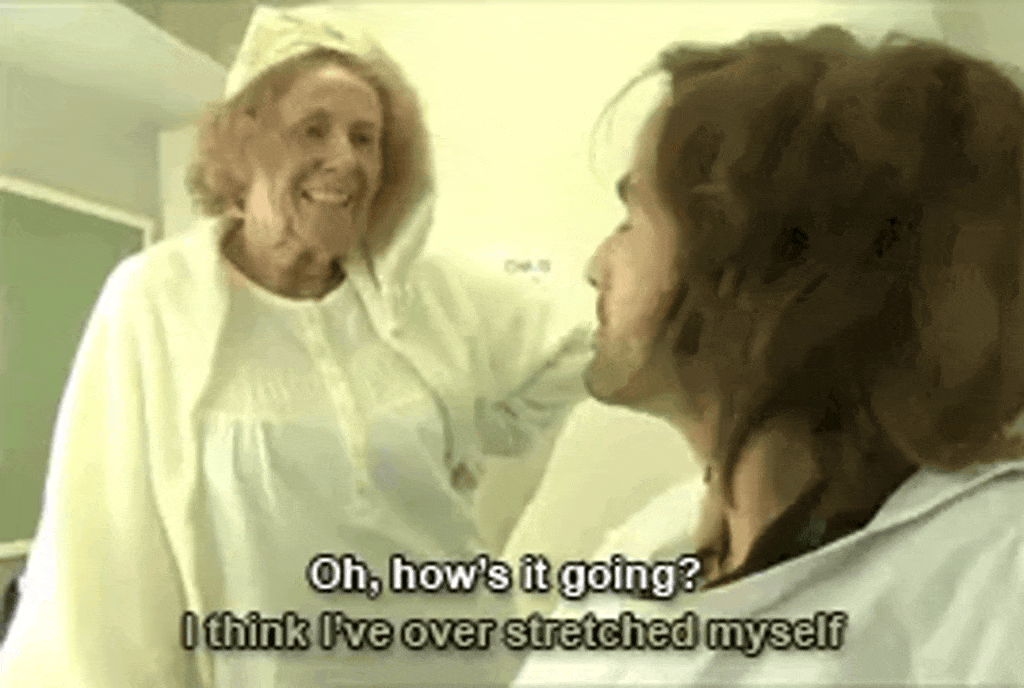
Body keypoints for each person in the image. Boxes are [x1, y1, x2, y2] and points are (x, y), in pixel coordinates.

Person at [0, 5, 593, 686]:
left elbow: (580, 354)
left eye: (366, 138)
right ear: (244, 148)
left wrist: (478, 487)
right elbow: (101, 542)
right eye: (314, 129)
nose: (346, 158)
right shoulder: (154, 299)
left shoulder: (424, 295)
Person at [512, 24, 1024, 685]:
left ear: (757, 270)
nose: (595, 266)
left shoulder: (994, 575)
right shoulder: (649, 546)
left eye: (632, 220)